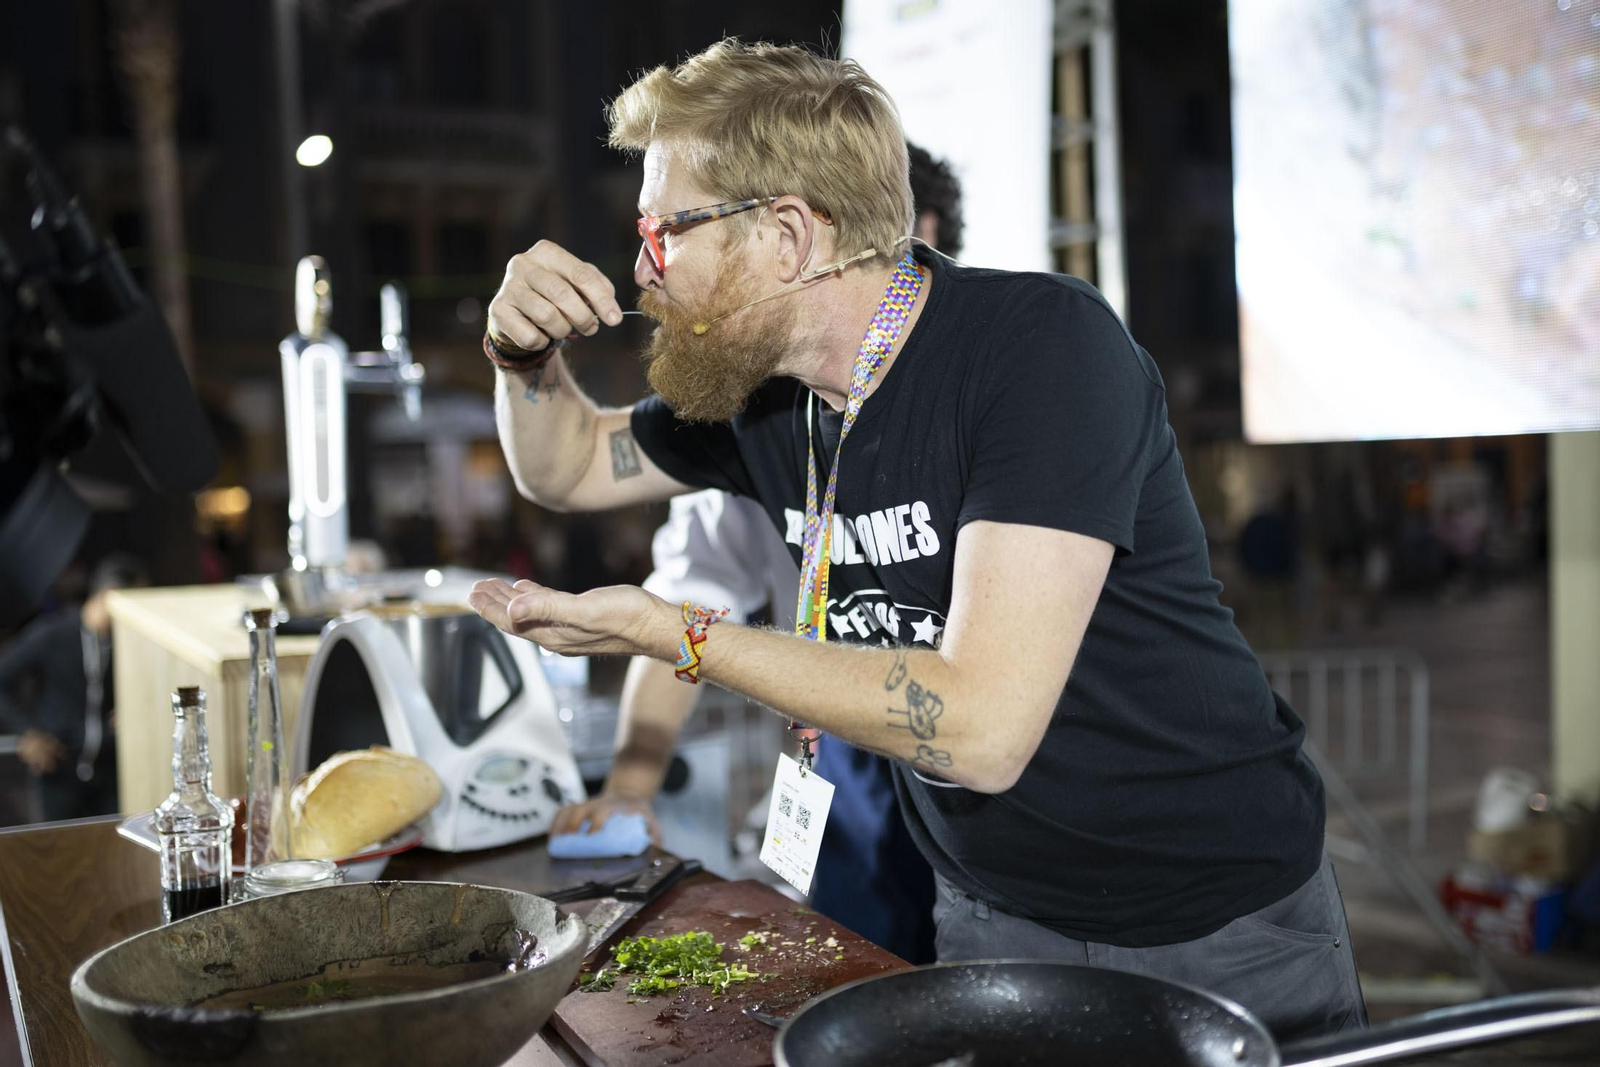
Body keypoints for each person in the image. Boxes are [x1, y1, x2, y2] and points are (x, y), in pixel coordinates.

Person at [470, 39, 1365, 1039]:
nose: (642, 270)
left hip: (1212, 917)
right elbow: (564, 466)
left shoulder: (1040, 350)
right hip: (989, 910)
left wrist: (675, 634)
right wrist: (521, 355)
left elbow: (981, 729)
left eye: (663, 229)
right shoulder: (765, 399)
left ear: (786, 236)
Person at [550, 145, 964, 963]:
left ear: (931, 247)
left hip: (978, 774)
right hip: (838, 762)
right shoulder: (763, 413)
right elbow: (689, 588)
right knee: (839, 984)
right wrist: (633, 778)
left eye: (900, 262)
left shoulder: (985, 390)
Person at [0, 554, 146, 821]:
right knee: (58, 854)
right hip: (57, 767)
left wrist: (134, 708)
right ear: (110, 595)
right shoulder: (53, 633)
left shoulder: (129, 644)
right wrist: (26, 732)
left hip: (110, 773)